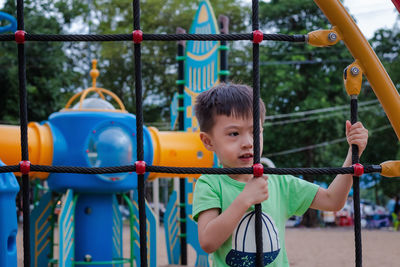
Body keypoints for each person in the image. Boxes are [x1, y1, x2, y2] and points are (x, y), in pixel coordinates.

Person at [192, 83, 368, 266]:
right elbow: (208, 242)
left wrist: (352, 155)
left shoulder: (279, 181)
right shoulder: (210, 183)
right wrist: (245, 198)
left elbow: (333, 200)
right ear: (208, 141)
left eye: (255, 132)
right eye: (234, 133)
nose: (247, 143)